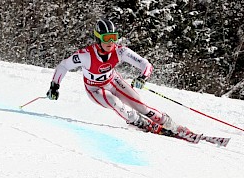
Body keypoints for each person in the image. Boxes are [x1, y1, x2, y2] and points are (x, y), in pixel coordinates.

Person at [46, 18, 179, 134]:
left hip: (113, 82)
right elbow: (63, 66)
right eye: (106, 38)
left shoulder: (120, 51)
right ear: (98, 39)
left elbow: (146, 64)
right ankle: (138, 121)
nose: (111, 42)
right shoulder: (85, 55)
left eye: (113, 37)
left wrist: (142, 77)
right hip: (95, 89)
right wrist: (54, 86)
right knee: (115, 103)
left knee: (141, 106)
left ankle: (169, 123)